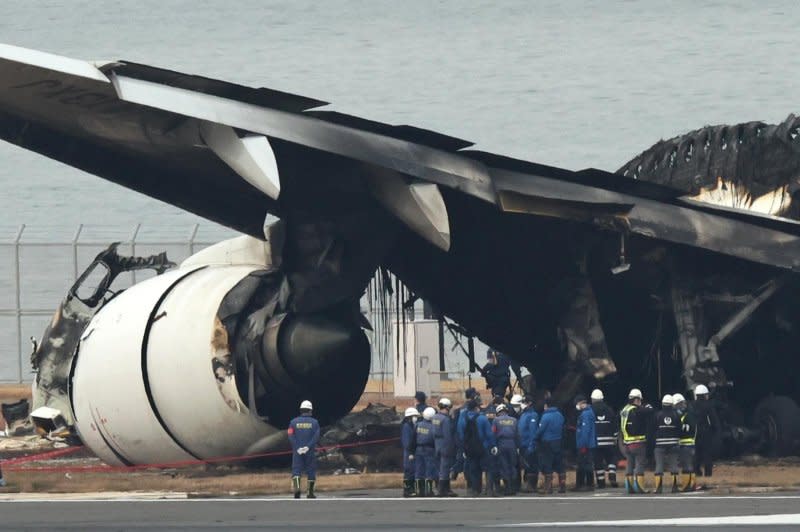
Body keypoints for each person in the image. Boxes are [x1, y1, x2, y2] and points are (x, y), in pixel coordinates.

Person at [459, 399, 496, 496]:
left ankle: (475, 490)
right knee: (488, 468)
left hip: (469, 449)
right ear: (476, 408)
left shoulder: (463, 419)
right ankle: (489, 490)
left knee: (474, 470)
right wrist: (493, 445)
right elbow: (489, 434)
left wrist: (464, 448)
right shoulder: (482, 418)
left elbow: (461, 435)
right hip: (483, 447)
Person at [288, 400, 321, 499]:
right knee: (311, 471)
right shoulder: (315, 423)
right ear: (310, 410)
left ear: (301, 410)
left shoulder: (293, 422)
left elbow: (290, 435)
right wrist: (308, 447)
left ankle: (297, 489)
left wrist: (297, 447)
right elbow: (316, 436)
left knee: (296, 470)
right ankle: (310, 493)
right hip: (309, 451)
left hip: (297, 451)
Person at [534, 394, 566, 494]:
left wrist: (535, 438)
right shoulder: (560, 415)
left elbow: (541, 430)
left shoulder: (546, 416)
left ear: (546, 405)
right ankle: (562, 486)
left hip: (547, 443)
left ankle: (548, 488)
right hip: (558, 441)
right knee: (559, 464)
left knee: (548, 465)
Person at [620, 388, 648, 494]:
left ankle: (629, 488)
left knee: (629, 465)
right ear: (636, 400)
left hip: (626, 443)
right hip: (637, 443)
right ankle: (639, 487)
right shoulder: (636, 410)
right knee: (639, 464)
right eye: (640, 400)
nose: (640, 402)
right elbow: (647, 412)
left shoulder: (624, 410)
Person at [590, 388, 618, 488]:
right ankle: (612, 474)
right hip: (609, 441)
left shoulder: (590, 410)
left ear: (592, 399)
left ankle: (601, 483)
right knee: (611, 458)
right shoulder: (609, 410)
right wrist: (615, 437)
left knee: (598, 462)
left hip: (596, 441)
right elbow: (615, 425)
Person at [653, 394, 681, 493]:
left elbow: (654, 429)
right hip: (673, 444)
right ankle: (674, 487)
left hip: (660, 444)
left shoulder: (658, 415)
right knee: (674, 465)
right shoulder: (676, 415)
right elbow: (679, 429)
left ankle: (658, 488)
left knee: (659, 465)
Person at [692, 384, 720, 478]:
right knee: (707, 454)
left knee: (696, 454)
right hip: (706, 433)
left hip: (694, 433)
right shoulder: (708, 406)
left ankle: (697, 473)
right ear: (704, 395)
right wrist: (716, 431)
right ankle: (708, 474)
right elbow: (713, 420)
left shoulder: (691, 405)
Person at [452, 387, 479, 483]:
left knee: (461, 456)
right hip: (469, 439)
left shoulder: (459, 410)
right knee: (468, 460)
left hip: (459, 437)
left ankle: (456, 470)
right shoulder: (472, 409)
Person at [492, 403, 519, 495]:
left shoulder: (496, 420)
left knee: (504, 465)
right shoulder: (514, 420)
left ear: (498, 412)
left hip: (501, 443)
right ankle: (513, 488)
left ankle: (507, 488)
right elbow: (517, 434)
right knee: (512, 465)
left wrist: (494, 445)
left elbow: (493, 433)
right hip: (512, 444)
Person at [433, 397, 457, 497]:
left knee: (439, 467)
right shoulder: (445, 419)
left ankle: (445, 489)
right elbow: (447, 435)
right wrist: (451, 448)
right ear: (447, 407)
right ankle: (443, 490)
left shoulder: (435, 417)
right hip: (444, 444)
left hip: (436, 444)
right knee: (445, 467)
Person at [674, 393, 697, 492]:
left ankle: (687, 486)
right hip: (688, 444)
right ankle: (691, 485)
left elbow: (687, 429)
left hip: (686, 444)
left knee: (686, 466)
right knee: (689, 466)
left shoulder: (687, 416)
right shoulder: (688, 414)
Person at [574, 394, 597, 491]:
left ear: (581, 403)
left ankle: (587, 484)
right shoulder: (587, 412)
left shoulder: (586, 414)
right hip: (587, 444)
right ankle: (583, 484)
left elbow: (585, 431)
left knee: (585, 464)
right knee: (584, 464)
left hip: (585, 444)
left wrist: (583, 445)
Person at [518, 395, 540, 492]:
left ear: (529, 403)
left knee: (531, 466)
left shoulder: (533, 415)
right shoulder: (523, 414)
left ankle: (531, 486)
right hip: (522, 445)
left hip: (529, 445)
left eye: (524, 402)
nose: (522, 404)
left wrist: (532, 446)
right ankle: (527, 484)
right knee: (526, 466)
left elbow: (533, 432)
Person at [414, 406, 438, 497]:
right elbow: (434, 439)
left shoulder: (418, 424)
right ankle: (428, 491)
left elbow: (414, 437)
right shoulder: (433, 427)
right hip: (429, 449)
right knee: (429, 470)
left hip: (418, 449)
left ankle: (418, 490)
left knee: (419, 470)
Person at [401, 407, 419, 497]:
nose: (416, 418)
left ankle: (410, 489)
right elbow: (407, 442)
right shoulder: (407, 426)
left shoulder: (411, 426)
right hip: (409, 453)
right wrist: (411, 452)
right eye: (414, 416)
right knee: (409, 471)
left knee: (411, 471)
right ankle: (407, 490)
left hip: (410, 452)